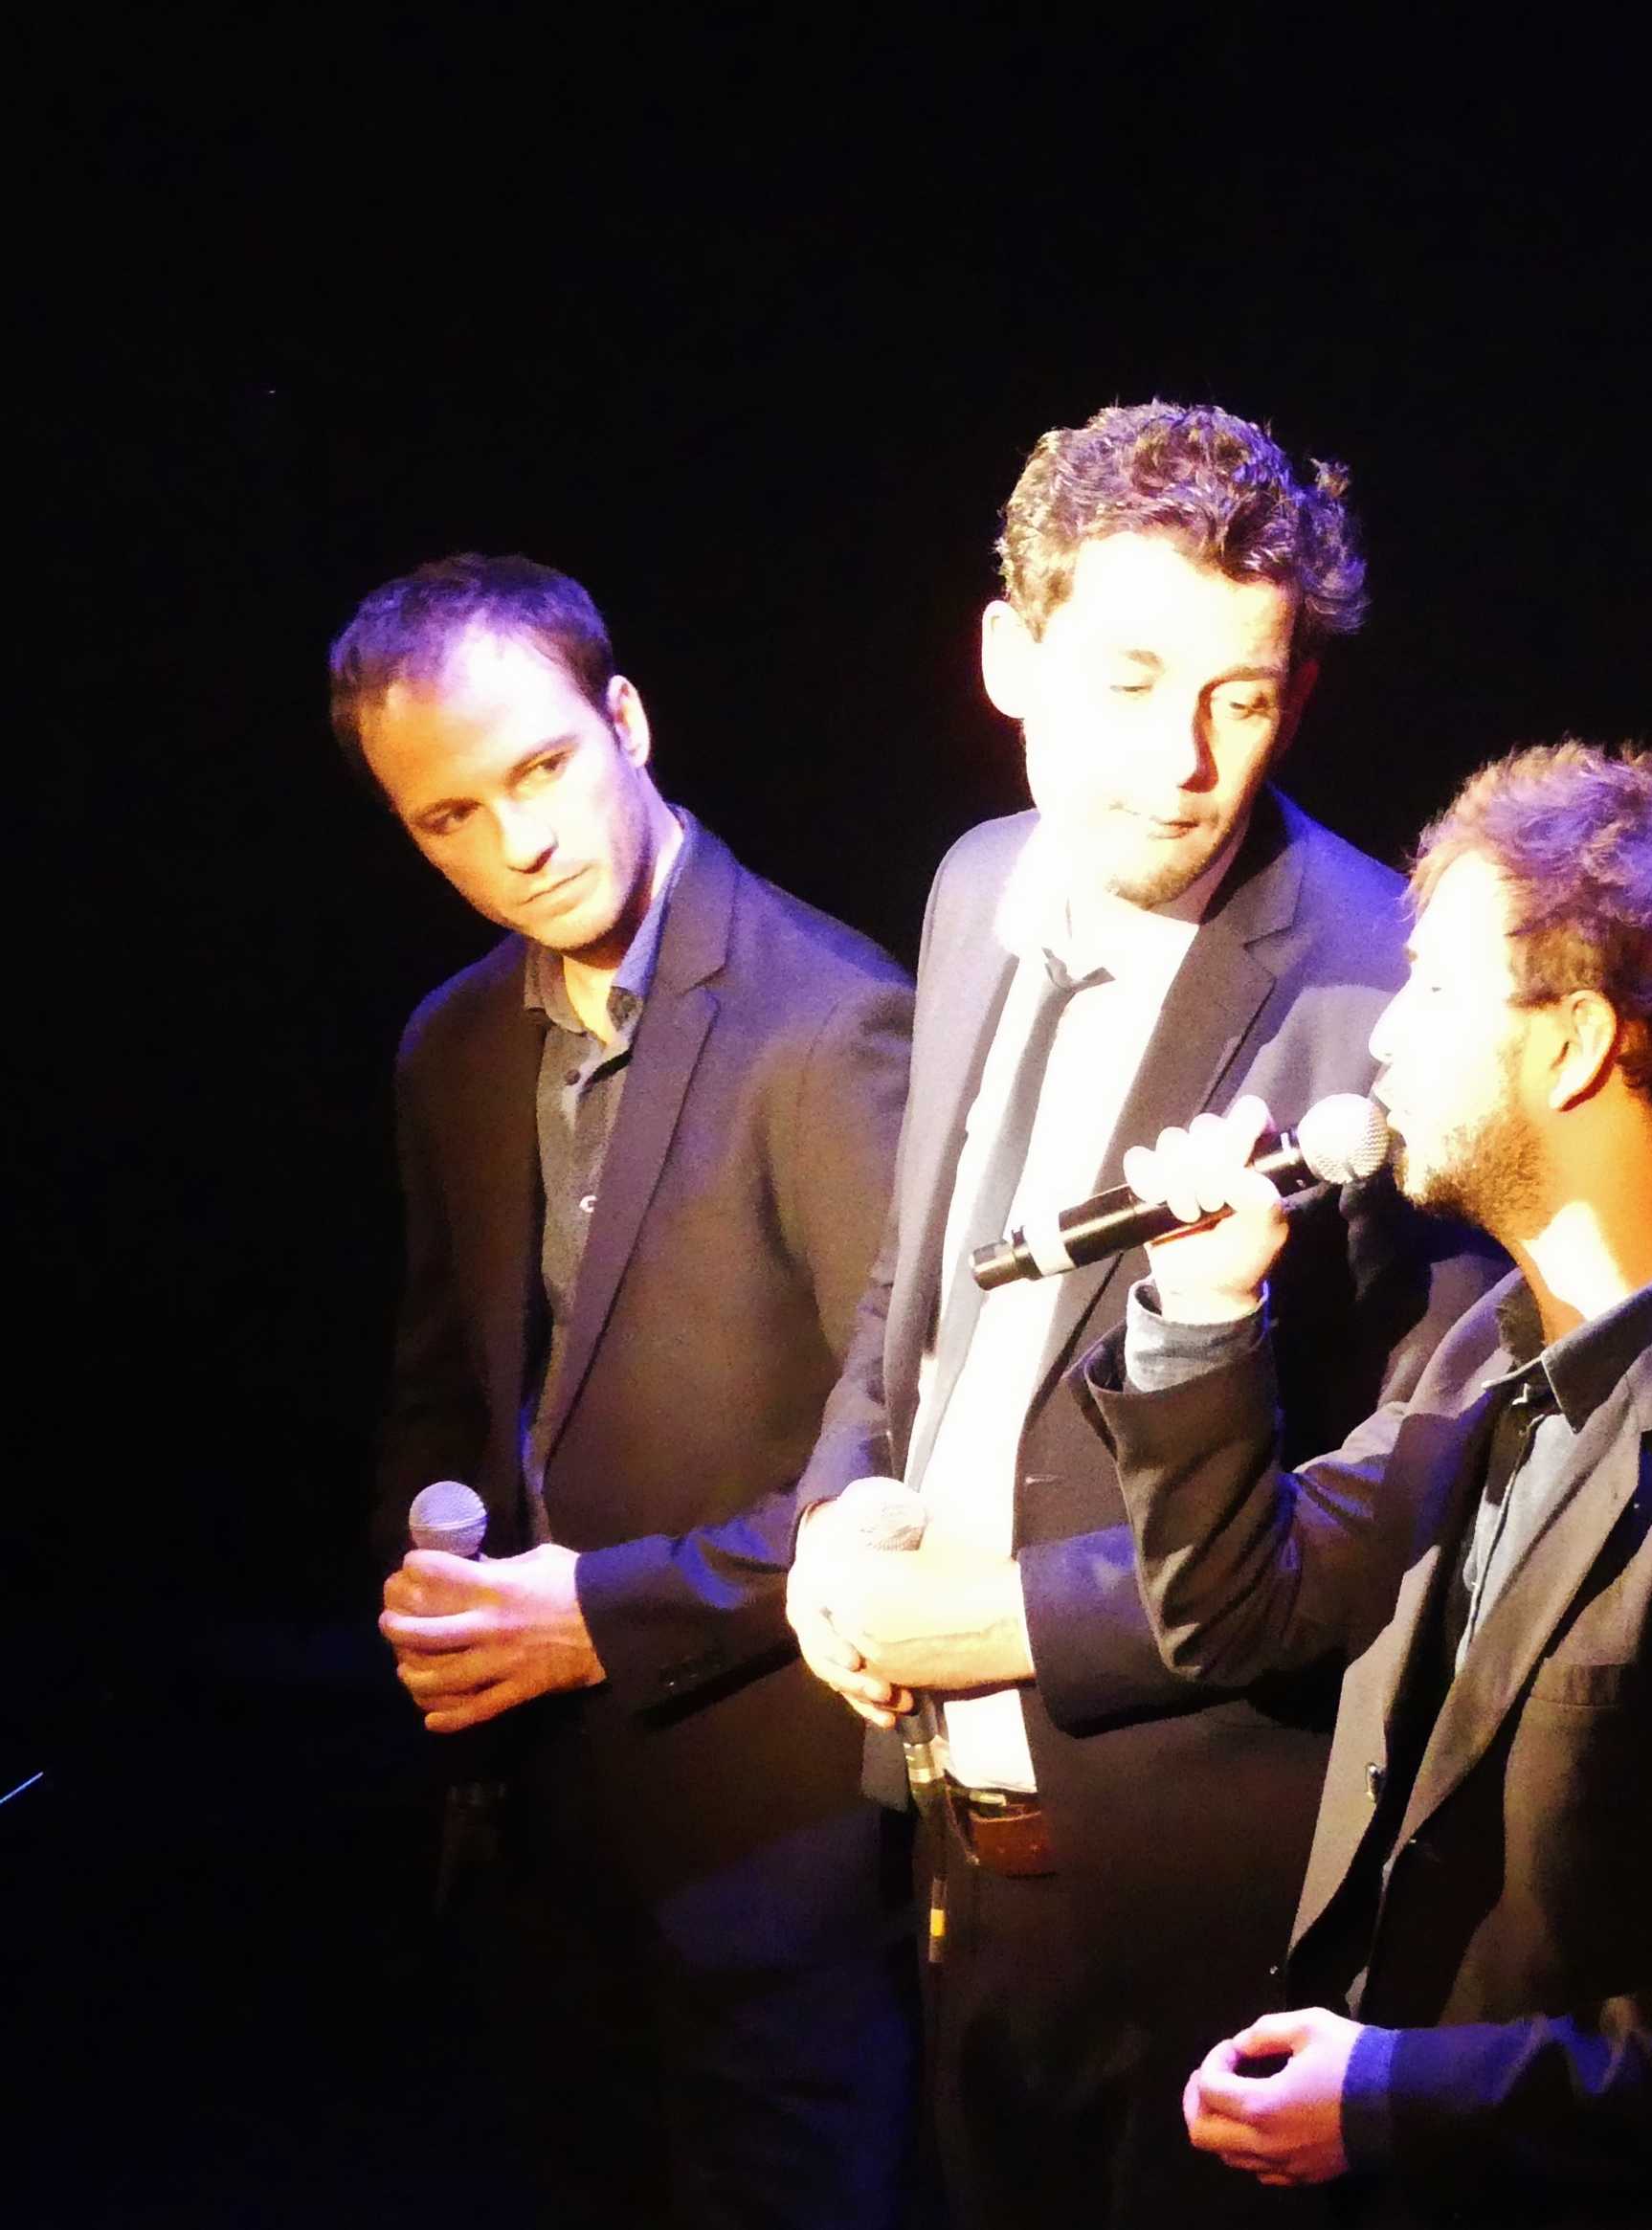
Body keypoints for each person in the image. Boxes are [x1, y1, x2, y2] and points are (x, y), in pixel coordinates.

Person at [780, 401, 1485, 2228]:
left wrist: (1001, 1625)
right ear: (1008, 657)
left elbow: (1417, 1501)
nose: (1184, 762)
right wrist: (838, 1511)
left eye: (1241, 696)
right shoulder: (970, 882)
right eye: (1128, 681)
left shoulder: (1397, 983)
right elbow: (918, 1286)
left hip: (1209, 1887)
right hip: (954, 1845)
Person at [1085, 744, 1652, 2227]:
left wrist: (1390, 2093)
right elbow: (1231, 1609)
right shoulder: (1491, 1341)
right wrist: (1207, 1309)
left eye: (1433, 986)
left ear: (1574, 1042)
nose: (1385, 1033)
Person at [345, 553, 917, 2229]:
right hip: (539, 1820)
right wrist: (429, 1572)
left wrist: (600, 1614)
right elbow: (441, 1381)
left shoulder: (832, 1020)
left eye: (541, 769)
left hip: (777, 1839)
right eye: (449, 817)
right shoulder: (453, 1043)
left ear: (629, 721)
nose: (515, 843)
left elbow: (903, 1470)